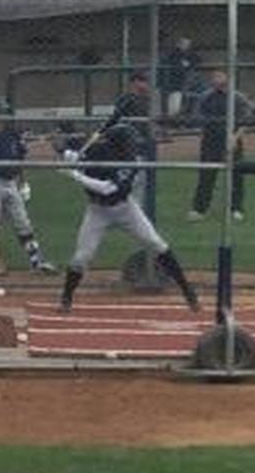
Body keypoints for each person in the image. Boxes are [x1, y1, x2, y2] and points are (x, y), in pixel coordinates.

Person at [56, 123, 199, 313]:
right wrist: (64, 152)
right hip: (97, 211)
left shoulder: (132, 161)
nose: (132, 146)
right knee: (82, 257)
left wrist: (75, 175)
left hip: (125, 209)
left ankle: (187, 291)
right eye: (129, 143)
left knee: (156, 243)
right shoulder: (97, 150)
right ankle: (66, 299)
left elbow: (108, 188)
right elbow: (69, 153)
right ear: (117, 144)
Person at [0, 96, 56, 275]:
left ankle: (36, 261)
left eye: (3, 113)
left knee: (22, 221)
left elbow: (18, 159)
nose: (2, 116)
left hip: (11, 182)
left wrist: (23, 181)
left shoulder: (11, 133)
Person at [189, 70, 249, 222]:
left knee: (236, 175)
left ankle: (236, 209)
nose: (217, 80)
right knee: (206, 175)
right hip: (211, 140)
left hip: (231, 140)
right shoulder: (205, 97)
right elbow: (199, 117)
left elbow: (245, 120)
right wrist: (202, 133)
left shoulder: (237, 97)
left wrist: (235, 138)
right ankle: (199, 209)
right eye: (214, 78)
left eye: (220, 77)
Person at [102, 70, 154, 206]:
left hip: (143, 142)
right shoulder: (126, 99)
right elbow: (115, 119)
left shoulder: (147, 100)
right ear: (135, 82)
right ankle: (122, 204)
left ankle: (136, 207)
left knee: (142, 177)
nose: (146, 85)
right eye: (143, 81)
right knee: (130, 175)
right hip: (127, 143)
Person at [160, 37, 201, 117]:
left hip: (184, 83)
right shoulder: (173, 54)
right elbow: (172, 61)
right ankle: (171, 117)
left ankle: (182, 117)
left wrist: (188, 64)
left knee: (184, 101)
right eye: (182, 44)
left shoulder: (190, 55)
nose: (185, 46)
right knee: (172, 106)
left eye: (187, 44)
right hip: (173, 84)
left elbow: (196, 60)